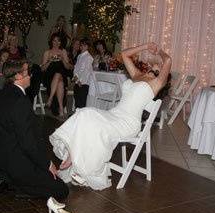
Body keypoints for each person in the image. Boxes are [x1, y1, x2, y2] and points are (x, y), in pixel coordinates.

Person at [49, 42, 172, 190]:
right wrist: (145, 46)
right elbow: (124, 54)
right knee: (84, 112)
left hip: (127, 123)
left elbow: (168, 60)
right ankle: (72, 156)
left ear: (161, 77)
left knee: (97, 125)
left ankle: (82, 166)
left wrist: (159, 51)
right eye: (153, 67)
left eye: (156, 69)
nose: (152, 68)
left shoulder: (156, 84)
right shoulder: (137, 75)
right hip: (114, 114)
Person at [0, 60, 69, 200]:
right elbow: (28, 143)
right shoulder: (21, 101)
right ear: (18, 77)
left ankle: (6, 178)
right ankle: (17, 187)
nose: (31, 76)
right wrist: (47, 164)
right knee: (61, 189)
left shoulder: (0, 95)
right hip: (17, 163)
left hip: (1, 160)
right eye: (27, 72)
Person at [41, 33, 72, 117]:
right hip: (49, 77)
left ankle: (50, 99)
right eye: (54, 41)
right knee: (60, 82)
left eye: (58, 41)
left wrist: (62, 59)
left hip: (62, 74)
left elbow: (68, 67)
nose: (56, 43)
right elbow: (42, 69)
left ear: (61, 42)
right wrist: (49, 61)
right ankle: (61, 109)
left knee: (59, 74)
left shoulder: (63, 51)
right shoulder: (47, 52)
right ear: (51, 42)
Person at [72, 38, 93, 108]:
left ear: (88, 47)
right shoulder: (79, 56)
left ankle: (81, 116)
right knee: (76, 99)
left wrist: (80, 81)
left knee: (82, 101)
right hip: (77, 81)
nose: (82, 47)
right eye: (81, 45)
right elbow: (76, 68)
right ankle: (77, 114)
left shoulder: (89, 57)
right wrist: (76, 79)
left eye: (84, 45)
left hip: (83, 83)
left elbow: (86, 71)